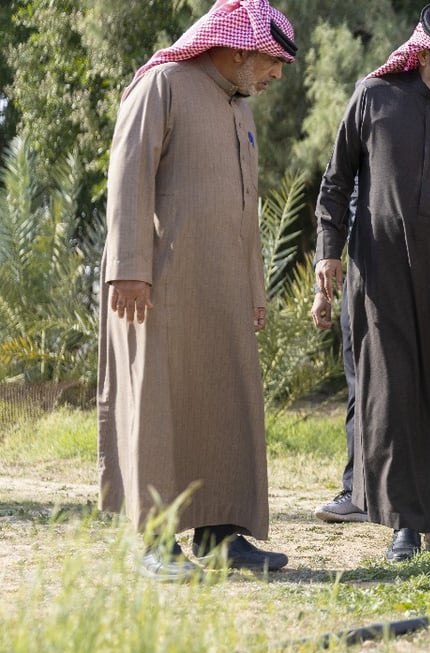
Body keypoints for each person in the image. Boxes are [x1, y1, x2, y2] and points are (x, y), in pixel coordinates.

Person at [97, 0, 297, 580]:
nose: (275, 76)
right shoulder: (162, 85)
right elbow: (128, 175)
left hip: (225, 287)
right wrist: (131, 268)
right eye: (271, 62)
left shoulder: (240, 111)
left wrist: (255, 288)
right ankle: (154, 543)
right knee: (157, 407)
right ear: (237, 47)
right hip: (156, 285)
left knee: (225, 403)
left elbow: (244, 208)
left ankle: (221, 536)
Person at [313, 2, 430, 562]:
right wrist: (329, 252)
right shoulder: (374, 97)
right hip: (381, 274)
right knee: (392, 395)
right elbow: (335, 182)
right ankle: (402, 522)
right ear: (423, 56)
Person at [310, 283, 368, 523]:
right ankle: (357, 493)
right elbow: (329, 246)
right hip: (362, 279)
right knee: (359, 386)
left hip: (417, 275)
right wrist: (321, 291)